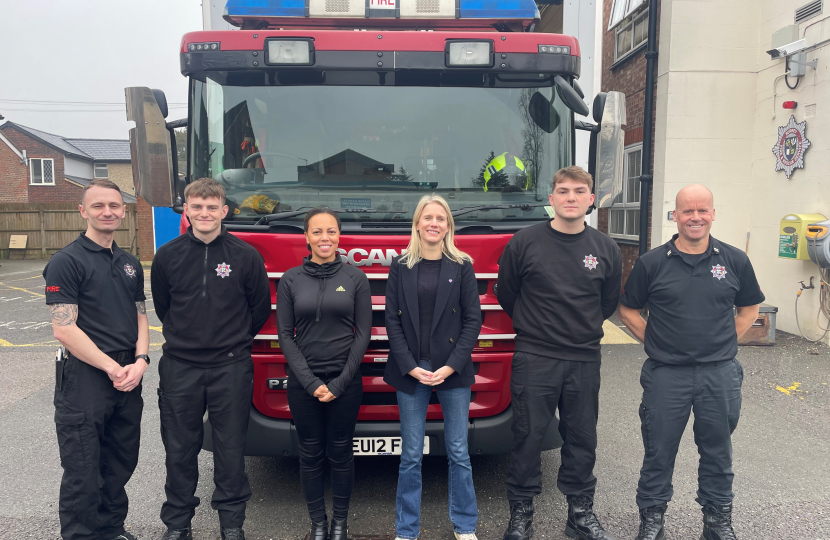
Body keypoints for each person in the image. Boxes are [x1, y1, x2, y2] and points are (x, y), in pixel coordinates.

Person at [618, 184, 764, 540]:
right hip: (666, 375)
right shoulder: (652, 262)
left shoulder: (734, 260)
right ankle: (652, 521)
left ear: (713, 214)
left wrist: (724, 339)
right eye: (687, 211)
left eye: (702, 211)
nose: (695, 217)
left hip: (720, 374)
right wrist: (653, 340)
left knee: (717, 451)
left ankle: (717, 523)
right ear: (675, 216)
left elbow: (749, 308)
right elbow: (628, 309)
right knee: (658, 450)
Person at [497, 166, 622, 540]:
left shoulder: (606, 248)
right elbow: (507, 293)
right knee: (527, 437)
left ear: (590, 199)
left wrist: (576, 332)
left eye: (578, 191)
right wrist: (537, 327)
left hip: (583, 358)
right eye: (563, 191)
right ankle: (521, 515)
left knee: (582, 438)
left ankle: (580, 515)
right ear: (551, 199)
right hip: (535, 356)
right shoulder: (524, 242)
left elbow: (607, 302)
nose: (571, 197)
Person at [151, 178, 271, 540]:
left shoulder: (245, 255)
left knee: (230, 448)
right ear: (186, 210)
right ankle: (177, 523)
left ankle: (231, 524)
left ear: (224, 211)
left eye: (211, 206)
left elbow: (259, 308)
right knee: (179, 447)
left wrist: (231, 343)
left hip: (230, 366)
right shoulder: (167, 256)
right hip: (180, 366)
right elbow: (163, 306)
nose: (204, 213)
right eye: (197, 206)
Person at [45, 179, 150, 540]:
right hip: (87, 377)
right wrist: (110, 366)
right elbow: (64, 329)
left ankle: (110, 528)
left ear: (123, 210)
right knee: (83, 467)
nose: (107, 212)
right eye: (98, 206)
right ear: (83, 211)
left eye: (114, 206)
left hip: (128, 374)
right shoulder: (66, 262)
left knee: (119, 461)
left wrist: (141, 361)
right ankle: (81, 535)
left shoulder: (129, 263)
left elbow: (140, 316)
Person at [384, 194, 482, 540]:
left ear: (448, 226)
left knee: (458, 450)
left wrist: (452, 366)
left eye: (441, 218)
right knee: (411, 454)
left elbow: (473, 321)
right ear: (417, 224)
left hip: (451, 370)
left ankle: (465, 525)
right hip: (412, 371)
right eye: (428, 217)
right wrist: (409, 366)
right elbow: (390, 321)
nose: (434, 223)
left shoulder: (462, 265)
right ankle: (407, 530)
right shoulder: (400, 266)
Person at [277, 208, 372, 540]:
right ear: (306, 237)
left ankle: (340, 525)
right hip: (304, 384)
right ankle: (318, 523)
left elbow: (363, 335)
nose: (324, 238)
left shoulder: (355, 278)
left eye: (331, 231)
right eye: (317, 232)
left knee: (341, 451)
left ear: (339, 236)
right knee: (310, 451)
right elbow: (285, 336)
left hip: (345, 382)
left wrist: (340, 382)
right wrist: (312, 383)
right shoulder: (290, 279)